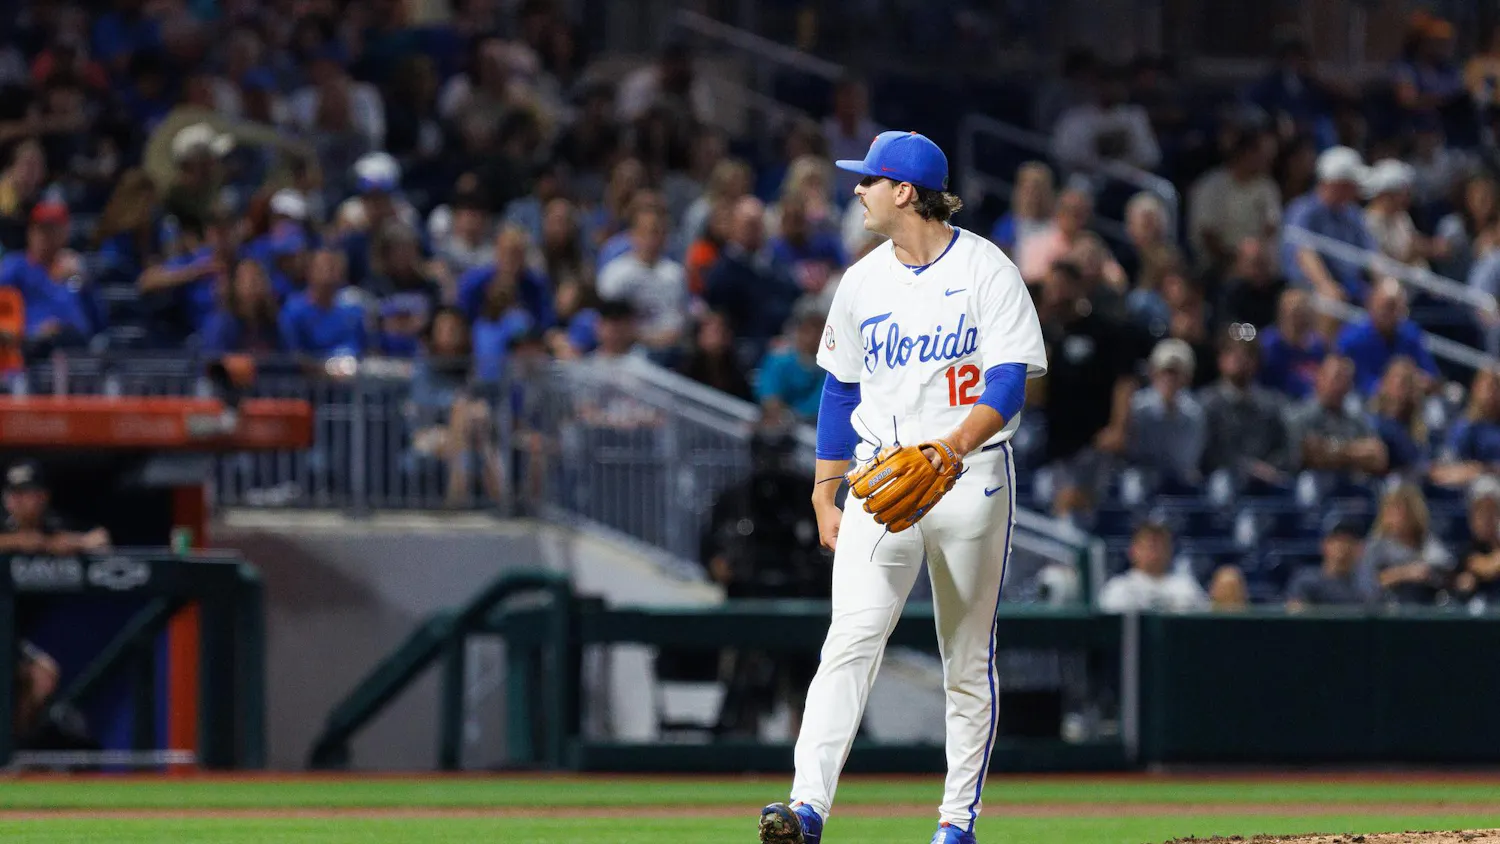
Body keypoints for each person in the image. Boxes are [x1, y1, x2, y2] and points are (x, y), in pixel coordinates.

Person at [758, 130, 1047, 844]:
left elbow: (1009, 383)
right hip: (882, 477)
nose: (856, 190)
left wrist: (951, 447)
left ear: (905, 192)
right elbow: (838, 390)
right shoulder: (860, 280)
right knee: (849, 639)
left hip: (971, 476)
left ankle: (955, 825)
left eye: (869, 180)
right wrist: (826, 490)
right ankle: (805, 808)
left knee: (966, 655)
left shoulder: (987, 268)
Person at [1096, 521, 1209, 613]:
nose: (1155, 551)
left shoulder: (1187, 586)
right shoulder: (1118, 588)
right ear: (1132, 551)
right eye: (1149, 546)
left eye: (1161, 545)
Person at [1285, 519, 1375, 610]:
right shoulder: (1306, 581)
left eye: (1351, 541)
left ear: (1360, 549)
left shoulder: (1367, 586)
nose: (1344, 547)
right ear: (1324, 545)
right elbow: (1295, 614)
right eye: (1338, 540)